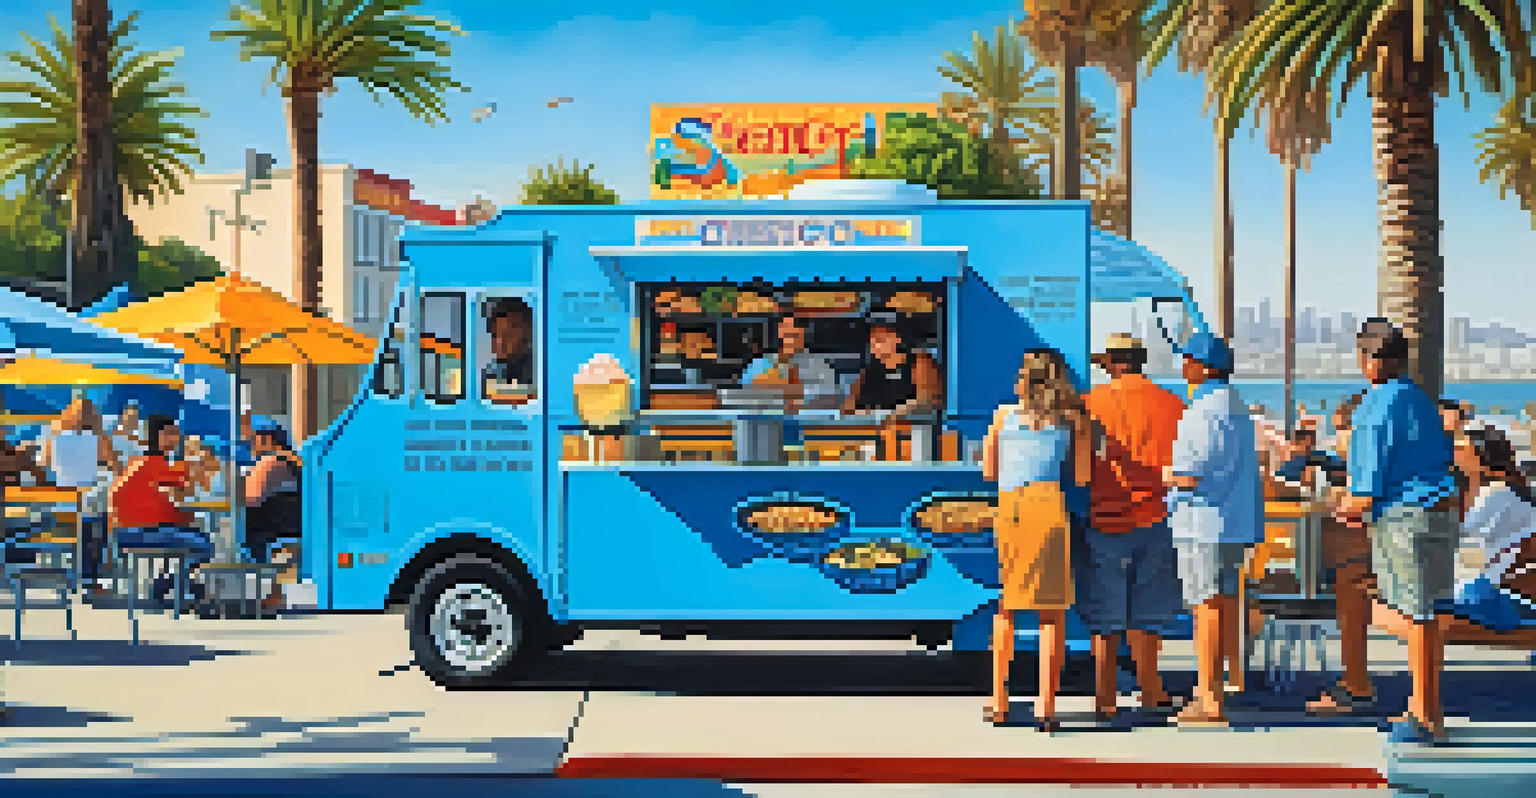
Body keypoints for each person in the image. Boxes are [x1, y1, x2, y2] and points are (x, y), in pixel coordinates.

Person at [1319, 319, 1459, 744]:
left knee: (1415, 614)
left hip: (1405, 518)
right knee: (1419, 610)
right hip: (1438, 512)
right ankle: (1382, 693)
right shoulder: (1418, 399)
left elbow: (1365, 491)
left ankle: (1424, 715)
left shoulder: (1374, 407)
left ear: (1366, 360)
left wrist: (1338, 504)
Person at [980, 349, 1093, 731]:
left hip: (1011, 509)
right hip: (1048, 507)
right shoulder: (1073, 420)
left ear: (1023, 380)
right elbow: (1081, 477)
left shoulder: (1002, 416)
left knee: (1008, 607)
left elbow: (989, 471)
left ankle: (999, 701)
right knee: (1052, 613)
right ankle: (1046, 707)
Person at [1079, 332, 1187, 721]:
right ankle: (1151, 690)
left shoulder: (1089, 405)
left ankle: (1106, 696)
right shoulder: (1173, 405)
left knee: (1105, 613)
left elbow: (1077, 463)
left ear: (1110, 363)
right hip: (1156, 517)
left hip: (1103, 517)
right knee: (1149, 611)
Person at [1166, 332, 1262, 725]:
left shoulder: (1202, 410)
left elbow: (1191, 474)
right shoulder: (1236, 405)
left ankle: (1208, 699)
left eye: (1187, 359)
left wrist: (1165, 476)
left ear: (1203, 367)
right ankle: (1216, 689)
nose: (1182, 365)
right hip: (1234, 522)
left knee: (1205, 607)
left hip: (1203, 522)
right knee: (1222, 604)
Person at [109, 415, 214, 605]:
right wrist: (195, 466)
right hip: (141, 533)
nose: (176, 438)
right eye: (170, 434)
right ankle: (171, 583)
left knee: (197, 537)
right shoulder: (158, 465)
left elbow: (174, 499)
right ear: (156, 436)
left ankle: (177, 583)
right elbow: (188, 490)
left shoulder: (139, 462)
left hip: (125, 531)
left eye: (176, 433)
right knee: (204, 544)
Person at [843, 315, 943, 417]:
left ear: (897, 338)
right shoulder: (868, 371)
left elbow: (928, 402)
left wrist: (893, 414)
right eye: (871, 340)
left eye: (879, 340)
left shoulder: (920, 363)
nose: (874, 346)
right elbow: (848, 408)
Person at [742, 315, 840, 412]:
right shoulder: (763, 362)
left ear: (804, 333)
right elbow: (747, 387)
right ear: (780, 332)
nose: (790, 341)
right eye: (787, 335)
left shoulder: (819, 365)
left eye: (794, 335)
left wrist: (785, 388)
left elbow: (829, 394)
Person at [483, 297, 535, 404]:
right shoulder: (493, 373)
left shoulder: (538, 372)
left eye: (508, 334)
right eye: (496, 334)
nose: (501, 341)